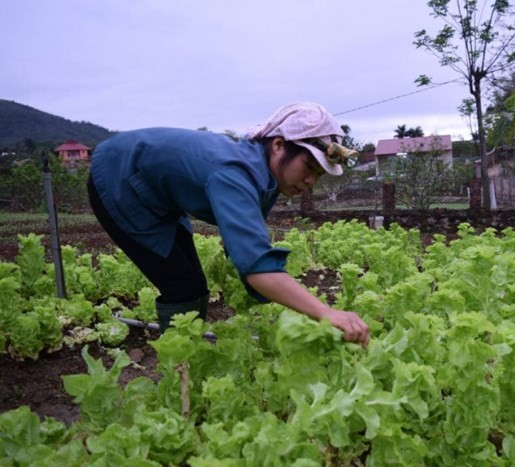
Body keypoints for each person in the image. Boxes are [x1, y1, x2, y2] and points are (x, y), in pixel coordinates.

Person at [87, 102, 370, 347]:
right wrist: (326, 313)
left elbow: (248, 240)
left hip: (157, 192)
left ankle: (186, 356)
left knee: (191, 284)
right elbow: (258, 268)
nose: (311, 182)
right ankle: (179, 368)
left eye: (319, 174)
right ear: (279, 145)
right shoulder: (235, 173)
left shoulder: (265, 175)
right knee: (183, 286)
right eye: (309, 167)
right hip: (117, 179)